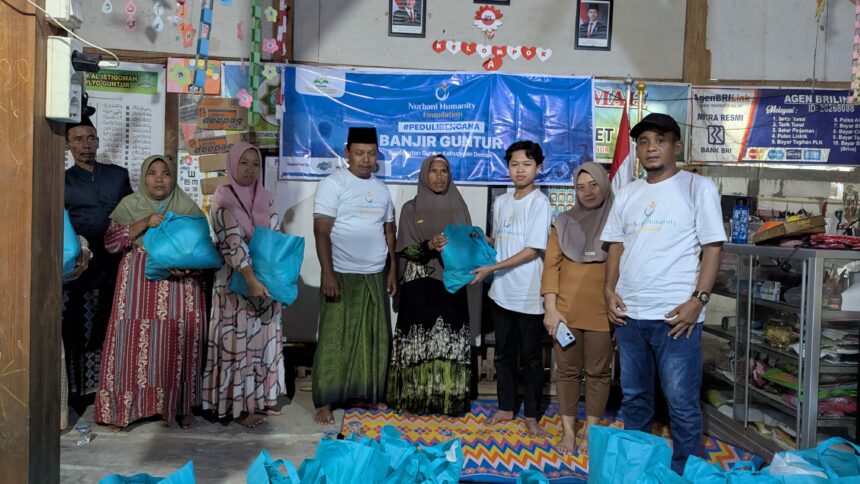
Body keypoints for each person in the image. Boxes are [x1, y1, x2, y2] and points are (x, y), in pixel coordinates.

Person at [601, 113, 725, 474]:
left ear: (676, 146)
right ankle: (637, 470)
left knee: (681, 402)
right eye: (643, 142)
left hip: (676, 318)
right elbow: (616, 246)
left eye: (660, 140)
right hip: (630, 316)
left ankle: (684, 473)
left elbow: (713, 248)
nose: (650, 148)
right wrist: (608, 289)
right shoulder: (627, 193)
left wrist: (698, 300)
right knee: (635, 399)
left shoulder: (697, 187)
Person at [94, 156, 207, 431]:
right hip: (138, 285)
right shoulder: (129, 205)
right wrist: (144, 222)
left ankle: (181, 408)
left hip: (179, 287)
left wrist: (186, 266)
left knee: (178, 342)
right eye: (152, 173)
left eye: (165, 173)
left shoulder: (187, 207)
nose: (159, 178)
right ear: (144, 177)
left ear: (173, 178)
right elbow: (110, 244)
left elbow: (203, 249)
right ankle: (122, 409)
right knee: (131, 342)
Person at [312, 127, 396, 425]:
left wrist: (392, 270)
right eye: (359, 153)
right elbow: (321, 231)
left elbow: (389, 231)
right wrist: (328, 273)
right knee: (335, 339)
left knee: (371, 340)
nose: (366, 159)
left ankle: (363, 394)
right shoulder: (332, 184)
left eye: (371, 154)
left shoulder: (382, 189)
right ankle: (325, 401)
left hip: (373, 275)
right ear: (347, 153)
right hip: (341, 274)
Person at [202, 142, 285, 429]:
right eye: (243, 163)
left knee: (264, 340)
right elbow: (232, 242)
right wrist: (250, 278)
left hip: (266, 280)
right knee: (237, 342)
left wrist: (271, 274)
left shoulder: (266, 198)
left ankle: (261, 398)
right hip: (235, 283)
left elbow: (274, 235)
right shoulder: (222, 199)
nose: (250, 170)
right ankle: (237, 407)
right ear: (232, 165)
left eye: (255, 164)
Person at [387, 154, 477, 417]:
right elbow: (404, 250)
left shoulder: (459, 206)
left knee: (449, 340)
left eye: (444, 171)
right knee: (418, 341)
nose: (439, 176)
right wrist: (428, 245)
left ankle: (447, 400)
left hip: (452, 283)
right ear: (425, 175)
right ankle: (413, 400)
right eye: (434, 171)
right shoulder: (411, 208)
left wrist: (479, 243)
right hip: (419, 283)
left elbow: (468, 246)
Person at [473, 141, 552, 437]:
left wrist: (490, 269)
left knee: (531, 358)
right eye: (515, 164)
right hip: (501, 293)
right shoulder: (502, 202)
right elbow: (502, 241)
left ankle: (531, 414)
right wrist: (480, 241)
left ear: (538, 168)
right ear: (507, 167)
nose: (520, 170)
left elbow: (531, 250)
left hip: (528, 295)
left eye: (527, 164)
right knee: (503, 354)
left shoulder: (540, 203)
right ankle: (505, 407)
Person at [541, 162, 614, 455]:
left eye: (593, 185)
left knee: (598, 373)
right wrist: (550, 308)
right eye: (581, 187)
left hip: (603, 312)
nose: (588, 192)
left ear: (604, 184)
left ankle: (590, 434)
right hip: (566, 312)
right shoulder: (563, 222)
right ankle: (569, 433)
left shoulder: (617, 220)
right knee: (567, 372)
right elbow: (550, 267)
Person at [63, 116, 133, 413]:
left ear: (98, 141)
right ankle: (82, 394)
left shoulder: (117, 175)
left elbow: (133, 212)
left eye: (91, 138)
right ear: (67, 145)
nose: (86, 145)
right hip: (81, 268)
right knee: (80, 330)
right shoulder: (62, 181)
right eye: (78, 139)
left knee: (115, 328)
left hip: (118, 266)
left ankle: (112, 386)